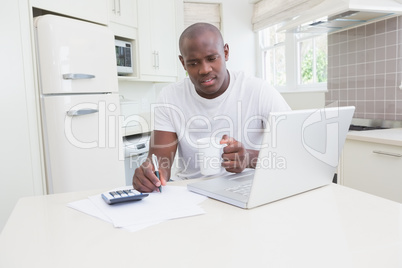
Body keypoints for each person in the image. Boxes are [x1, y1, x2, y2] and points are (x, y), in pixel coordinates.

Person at [133, 22, 291, 193]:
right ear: (183, 63)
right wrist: (149, 173)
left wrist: (250, 158)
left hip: (246, 188)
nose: (204, 69)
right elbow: (160, 162)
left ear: (226, 52)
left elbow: (294, 150)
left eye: (211, 58)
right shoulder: (169, 97)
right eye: (193, 63)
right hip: (191, 191)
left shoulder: (259, 91)